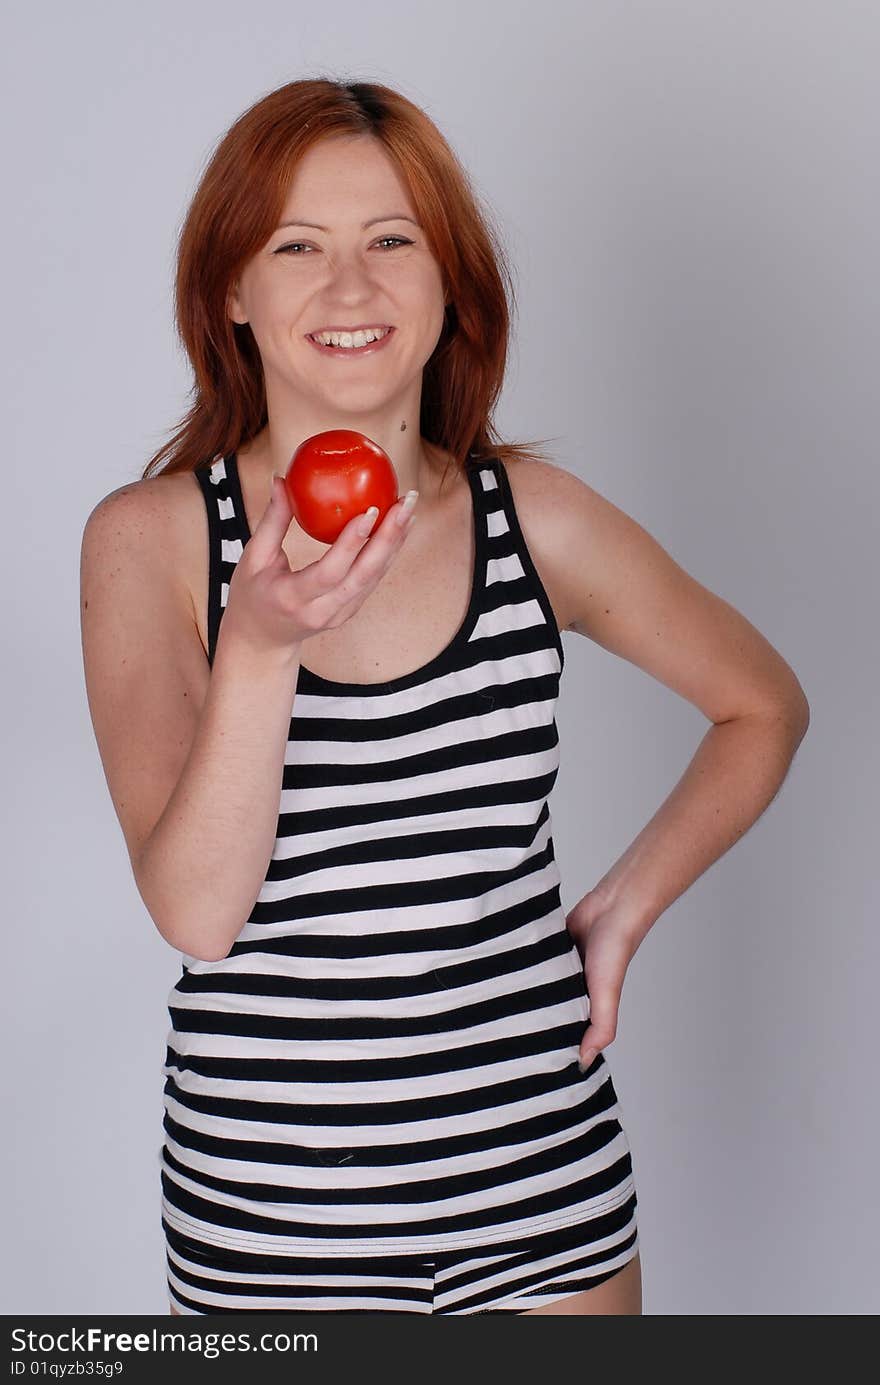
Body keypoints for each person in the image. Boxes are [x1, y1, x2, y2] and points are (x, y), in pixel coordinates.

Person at [79, 78, 809, 1316]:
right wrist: (258, 645)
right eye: (295, 246)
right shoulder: (148, 543)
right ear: (230, 298)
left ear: (450, 284)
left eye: (392, 242)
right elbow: (198, 916)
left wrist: (624, 906)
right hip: (271, 1225)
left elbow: (762, 703)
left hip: (548, 1195)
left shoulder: (540, 521)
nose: (350, 287)